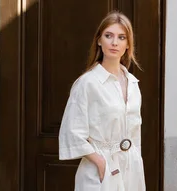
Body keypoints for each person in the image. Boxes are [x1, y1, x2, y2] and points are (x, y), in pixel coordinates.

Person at [58, 11, 145, 191]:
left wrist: (136, 162)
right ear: (99, 40)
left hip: (131, 169)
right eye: (108, 36)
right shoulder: (87, 83)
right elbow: (72, 131)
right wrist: (100, 162)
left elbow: (135, 132)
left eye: (121, 37)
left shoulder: (133, 84)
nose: (114, 42)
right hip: (100, 170)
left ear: (128, 44)